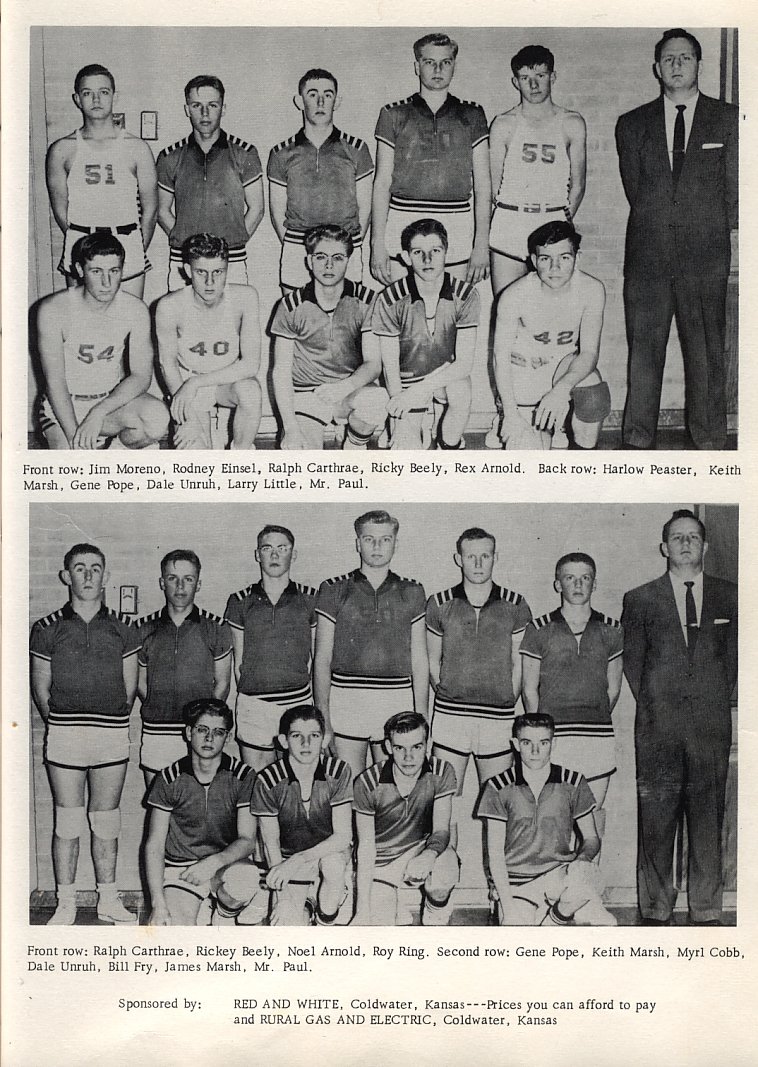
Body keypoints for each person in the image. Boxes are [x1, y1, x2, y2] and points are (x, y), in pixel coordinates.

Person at [616, 29, 738, 450]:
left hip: (705, 259)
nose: (677, 64)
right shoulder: (631, 125)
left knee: (706, 355)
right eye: (668, 58)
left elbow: (736, 191)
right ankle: (636, 439)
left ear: (698, 65)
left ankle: (708, 440)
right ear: (656, 68)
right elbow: (638, 190)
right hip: (648, 258)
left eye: (685, 57)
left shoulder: (729, 119)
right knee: (644, 355)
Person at [622, 510, 737, 925]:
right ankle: (655, 907)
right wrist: (662, 707)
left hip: (710, 729)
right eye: (677, 537)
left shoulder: (731, 595)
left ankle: (706, 908)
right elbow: (634, 667)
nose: (686, 543)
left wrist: (706, 703)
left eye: (693, 537)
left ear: (705, 547)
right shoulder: (639, 599)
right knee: (656, 820)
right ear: (664, 547)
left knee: (708, 820)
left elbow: (734, 664)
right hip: (658, 731)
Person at [30, 544, 141, 925]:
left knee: (106, 820)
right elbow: (40, 689)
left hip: (110, 733)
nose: (89, 576)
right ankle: (65, 903)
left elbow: (129, 691)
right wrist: (64, 722)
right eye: (80, 568)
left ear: (106, 576)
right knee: (68, 821)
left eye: (96, 568)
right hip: (65, 734)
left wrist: (106, 719)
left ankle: (108, 900)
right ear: (67, 576)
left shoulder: (125, 629)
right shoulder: (46, 629)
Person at [315, 511, 428, 779]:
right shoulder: (333, 589)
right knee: (347, 788)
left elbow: (420, 660)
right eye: (369, 539)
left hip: (395, 699)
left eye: (385, 539)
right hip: (347, 699)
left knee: (390, 790)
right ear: (358, 543)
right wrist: (324, 718)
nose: (377, 547)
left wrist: (422, 718)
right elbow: (322, 659)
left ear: (395, 544)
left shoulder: (412, 591)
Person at [371, 33, 490, 285]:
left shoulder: (472, 114)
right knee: (404, 313)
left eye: (445, 62)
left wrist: (481, 244)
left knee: (451, 313)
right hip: (403, 217)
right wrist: (377, 243)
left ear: (453, 66)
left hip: (456, 221)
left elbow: (483, 185)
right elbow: (381, 183)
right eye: (429, 62)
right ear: (417, 66)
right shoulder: (393, 114)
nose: (438, 69)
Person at [476, 713, 616, 926]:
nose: (534, 751)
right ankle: (552, 917)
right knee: (517, 939)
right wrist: (508, 907)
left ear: (554, 743)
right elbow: (494, 856)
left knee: (605, 921)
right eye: (526, 742)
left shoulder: (573, 781)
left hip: (558, 875)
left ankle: (557, 916)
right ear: (515, 744)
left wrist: (582, 859)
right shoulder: (497, 786)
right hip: (517, 882)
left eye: (543, 743)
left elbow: (592, 838)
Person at [35, 232, 169, 450]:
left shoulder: (135, 310)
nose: (106, 282)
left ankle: (113, 450)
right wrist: (76, 438)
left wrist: (98, 412)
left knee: (156, 419)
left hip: (108, 404)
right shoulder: (53, 310)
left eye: (113, 271)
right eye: (96, 271)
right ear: (80, 270)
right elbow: (55, 383)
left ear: (122, 270)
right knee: (74, 472)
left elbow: (141, 376)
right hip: (65, 407)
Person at [221, 706, 353, 926]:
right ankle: (288, 896)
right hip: (284, 859)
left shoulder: (338, 771)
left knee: (333, 866)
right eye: (296, 736)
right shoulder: (268, 780)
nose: (306, 744)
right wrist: (281, 897)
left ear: (325, 738)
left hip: (325, 852)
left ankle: (326, 916)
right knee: (286, 926)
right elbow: (270, 842)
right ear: (283, 741)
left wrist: (298, 860)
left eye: (314, 736)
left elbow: (342, 836)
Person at [426, 527, 532, 794]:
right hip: (451, 716)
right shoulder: (439, 603)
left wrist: (507, 696)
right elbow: (431, 659)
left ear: (495, 557)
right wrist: (449, 692)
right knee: (442, 800)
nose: (477, 563)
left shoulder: (515, 604)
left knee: (498, 802)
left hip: (498, 717)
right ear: (458, 558)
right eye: (470, 556)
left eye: (485, 556)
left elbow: (519, 662)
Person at [492, 221, 610, 450]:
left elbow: (589, 352)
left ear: (578, 257)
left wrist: (561, 390)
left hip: (562, 371)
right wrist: (510, 413)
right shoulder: (514, 295)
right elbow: (500, 358)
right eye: (546, 259)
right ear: (534, 261)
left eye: (564, 258)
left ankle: (579, 466)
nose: (555, 267)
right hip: (526, 374)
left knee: (593, 394)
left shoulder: (591, 289)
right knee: (527, 455)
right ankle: (526, 424)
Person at [520, 553, 623, 808]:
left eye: (585, 578)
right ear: (558, 584)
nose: (578, 585)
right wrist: (540, 734)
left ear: (594, 584)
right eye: (570, 578)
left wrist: (590, 715)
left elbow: (614, 689)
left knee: (593, 817)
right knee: (555, 818)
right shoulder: (539, 628)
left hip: (596, 737)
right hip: (555, 738)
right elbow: (529, 690)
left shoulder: (612, 628)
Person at [46, 63, 157, 298]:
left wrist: (136, 246)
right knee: (82, 325)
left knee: (128, 323)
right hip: (82, 243)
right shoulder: (62, 150)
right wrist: (81, 242)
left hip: (126, 242)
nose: (96, 99)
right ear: (77, 99)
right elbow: (60, 209)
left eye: (103, 92)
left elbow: (151, 209)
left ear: (114, 96)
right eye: (88, 93)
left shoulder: (137, 148)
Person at [270, 225, 386, 449]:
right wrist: (291, 428)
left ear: (348, 260)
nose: (329, 265)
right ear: (309, 261)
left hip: (348, 389)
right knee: (299, 456)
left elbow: (374, 364)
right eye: (321, 257)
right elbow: (281, 371)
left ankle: (354, 443)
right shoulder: (290, 305)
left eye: (338, 258)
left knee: (377, 399)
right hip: (308, 394)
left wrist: (343, 387)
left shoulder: (367, 300)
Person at [145, 699, 257, 926]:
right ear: (188, 732)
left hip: (223, 864)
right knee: (174, 934)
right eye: (202, 730)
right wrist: (158, 904)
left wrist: (214, 862)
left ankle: (223, 915)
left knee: (246, 879)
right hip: (182, 869)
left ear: (227, 737)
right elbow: (154, 845)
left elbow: (248, 840)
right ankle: (199, 905)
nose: (209, 738)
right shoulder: (168, 778)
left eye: (218, 732)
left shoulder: (244, 776)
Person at [488, 45, 586, 298]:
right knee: (506, 306)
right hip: (511, 221)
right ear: (515, 82)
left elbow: (578, 185)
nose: (533, 85)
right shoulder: (503, 124)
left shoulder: (571, 123)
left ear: (552, 77)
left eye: (540, 76)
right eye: (525, 78)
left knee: (553, 305)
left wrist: (560, 220)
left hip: (550, 219)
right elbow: (492, 185)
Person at [372, 218, 479, 449]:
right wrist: (400, 409)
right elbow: (390, 368)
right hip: (406, 382)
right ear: (406, 257)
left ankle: (447, 442)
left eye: (435, 251)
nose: (428, 260)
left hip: (444, 376)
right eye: (418, 252)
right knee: (406, 451)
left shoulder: (466, 294)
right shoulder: (390, 298)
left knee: (461, 391)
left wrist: (423, 389)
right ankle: (402, 428)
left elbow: (464, 364)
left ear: (446, 253)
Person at [268, 69, 374, 292]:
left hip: (345, 248)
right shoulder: (281, 153)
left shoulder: (356, 149)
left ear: (337, 101)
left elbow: (365, 208)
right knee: (297, 320)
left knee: (346, 320)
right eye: (312, 94)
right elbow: (278, 214)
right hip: (298, 249)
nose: (320, 101)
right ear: (299, 101)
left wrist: (345, 245)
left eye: (328, 94)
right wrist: (297, 244)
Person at [155, 233, 262, 449]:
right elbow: (167, 365)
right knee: (197, 460)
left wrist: (196, 383)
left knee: (250, 391)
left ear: (227, 270)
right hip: (186, 385)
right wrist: (190, 417)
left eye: (218, 272)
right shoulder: (170, 306)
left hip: (224, 382)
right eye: (201, 272)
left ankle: (240, 459)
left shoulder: (245, 298)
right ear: (187, 271)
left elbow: (251, 365)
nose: (210, 282)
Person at [224, 526, 318, 772]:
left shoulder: (310, 598)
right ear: (258, 555)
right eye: (267, 549)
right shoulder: (239, 600)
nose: (275, 556)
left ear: (293, 554)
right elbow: (238, 664)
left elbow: (318, 659)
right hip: (255, 705)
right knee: (258, 785)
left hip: (297, 701)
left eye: (282, 549)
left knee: (296, 782)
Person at [157, 75, 264, 290]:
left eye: (212, 105)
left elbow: (257, 209)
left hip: (231, 261)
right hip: (184, 262)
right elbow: (162, 211)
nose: (205, 113)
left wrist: (230, 244)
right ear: (187, 109)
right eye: (197, 105)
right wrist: (188, 246)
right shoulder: (169, 156)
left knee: (230, 322)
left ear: (223, 108)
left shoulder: (245, 153)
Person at [352, 712, 459, 926]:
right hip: (381, 860)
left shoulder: (442, 771)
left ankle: (434, 910)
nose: (408, 757)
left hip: (420, 849)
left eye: (416, 747)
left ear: (427, 745)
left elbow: (441, 830)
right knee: (379, 928)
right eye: (400, 748)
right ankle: (389, 897)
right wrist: (361, 910)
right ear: (388, 747)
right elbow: (365, 846)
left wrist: (429, 855)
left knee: (445, 870)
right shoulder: (367, 782)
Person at [137, 550, 233, 786]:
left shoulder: (216, 628)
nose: (180, 586)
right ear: (162, 582)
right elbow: (140, 683)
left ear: (198, 584)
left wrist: (202, 723)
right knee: (160, 810)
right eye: (172, 578)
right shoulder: (143, 629)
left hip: (198, 735)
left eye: (188, 579)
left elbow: (222, 684)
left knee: (195, 809)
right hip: (157, 733)